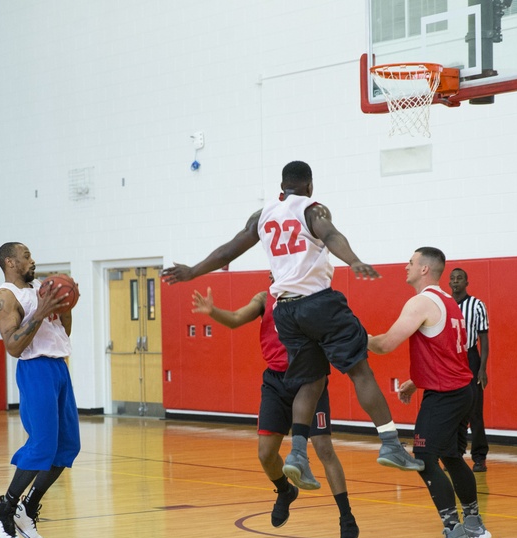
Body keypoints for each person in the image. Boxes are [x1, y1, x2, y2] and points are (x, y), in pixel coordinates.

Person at [162, 160, 422, 490]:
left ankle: (297, 452)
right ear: (309, 186)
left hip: (285, 310)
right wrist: (353, 260)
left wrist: (193, 271)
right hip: (318, 302)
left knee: (310, 381)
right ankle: (390, 443)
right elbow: (331, 235)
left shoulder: (262, 215)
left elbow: (230, 249)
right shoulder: (313, 209)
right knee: (359, 370)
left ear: (281, 186)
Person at [192, 285, 359, 538]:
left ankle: (347, 520)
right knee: (265, 453)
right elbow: (235, 319)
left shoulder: (313, 295)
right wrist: (212, 311)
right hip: (276, 382)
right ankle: (284, 490)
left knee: (324, 448)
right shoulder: (262, 298)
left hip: (309, 378)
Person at [368, 248, 491, 538]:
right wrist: (417, 379)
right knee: (450, 455)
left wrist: (354, 336)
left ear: (424, 269)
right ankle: (474, 524)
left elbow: (384, 345)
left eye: (410, 262)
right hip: (463, 391)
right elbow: (447, 352)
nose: (405, 267)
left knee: (423, 458)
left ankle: (456, 537)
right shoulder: (450, 303)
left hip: (446, 396)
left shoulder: (421, 302)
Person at [0, 242, 80, 538]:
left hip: (59, 367)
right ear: (10, 262)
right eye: (27, 256)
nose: (33, 260)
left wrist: (65, 308)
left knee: (68, 446)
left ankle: (28, 507)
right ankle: (4, 509)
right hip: (34, 368)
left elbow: (64, 332)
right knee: (42, 445)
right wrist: (40, 312)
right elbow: (13, 346)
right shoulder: (5, 297)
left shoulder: (43, 288)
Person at [448, 268, 490, 472]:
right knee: (452, 409)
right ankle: (454, 454)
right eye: (453, 278)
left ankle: (479, 457)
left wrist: (482, 368)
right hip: (449, 359)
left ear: (467, 282)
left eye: (460, 278)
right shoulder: (443, 305)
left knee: (475, 410)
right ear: (449, 283)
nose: (456, 282)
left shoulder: (477, 305)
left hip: (470, 357)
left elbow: (484, 338)